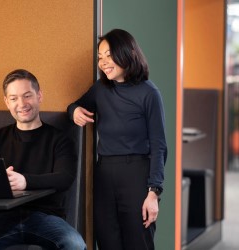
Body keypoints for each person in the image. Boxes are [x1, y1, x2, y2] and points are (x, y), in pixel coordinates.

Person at [67, 29, 167, 249]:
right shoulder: (100, 89)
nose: (103, 62)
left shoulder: (149, 93)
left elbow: (159, 146)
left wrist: (154, 192)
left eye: (109, 55)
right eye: (100, 57)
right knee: (107, 240)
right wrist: (73, 111)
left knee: (138, 241)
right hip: (104, 174)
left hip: (137, 175)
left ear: (128, 52)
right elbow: (75, 105)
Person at [0, 69, 86, 249]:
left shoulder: (60, 140)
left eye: (27, 96)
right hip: (0, 219)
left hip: (45, 218)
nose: (21, 104)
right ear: (6, 102)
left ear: (39, 96)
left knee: (74, 244)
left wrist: (24, 181)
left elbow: (65, 177)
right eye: (13, 98)